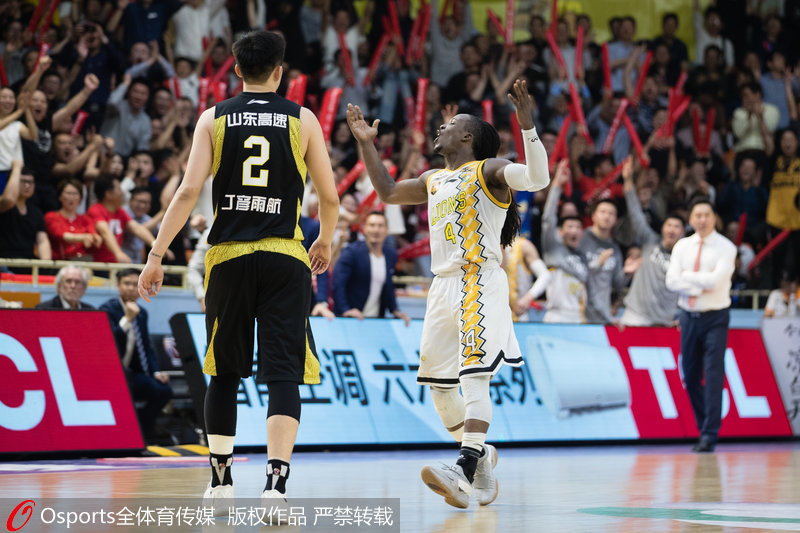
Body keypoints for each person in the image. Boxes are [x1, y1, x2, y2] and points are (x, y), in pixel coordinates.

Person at [137, 31, 339, 505]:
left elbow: (188, 192)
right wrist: (325, 239)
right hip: (285, 257)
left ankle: (221, 481)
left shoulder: (213, 117)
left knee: (224, 371)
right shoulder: (303, 119)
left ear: (235, 69)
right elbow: (329, 197)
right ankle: (276, 486)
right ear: (279, 72)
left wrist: (156, 255)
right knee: (283, 374)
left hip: (228, 257)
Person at [346, 78, 549, 508]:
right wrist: (367, 145)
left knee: (474, 379)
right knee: (440, 389)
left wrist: (527, 125)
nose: (441, 127)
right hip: (442, 287)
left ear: (468, 137)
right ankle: (481, 458)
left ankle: (463, 468)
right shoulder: (433, 179)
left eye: (452, 124)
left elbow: (537, 178)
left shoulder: (490, 170)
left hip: (479, 279)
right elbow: (387, 191)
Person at [666, 198, 737, 453]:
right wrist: (698, 283)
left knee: (714, 373)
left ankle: (709, 434)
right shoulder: (682, 246)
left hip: (715, 316)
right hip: (688, 315)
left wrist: (687, 277)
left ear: (714, 217)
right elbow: (671, 282)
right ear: (691, 218)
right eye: (698, 215)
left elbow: (715, 282)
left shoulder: (726, 247)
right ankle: (703, 423)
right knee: (690, 374)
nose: (702, 219)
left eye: (707, 214)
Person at [101, 268, 173, 440]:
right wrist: (127, 319)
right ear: (118, 286)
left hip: (134, 373)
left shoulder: (142, 313)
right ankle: (132, 431)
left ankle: (141, 430)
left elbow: (146, 347)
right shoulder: (107, 309)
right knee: (149, 386)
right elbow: (109, 342)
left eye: (136, 284)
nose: (132, 288)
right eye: (127, 283)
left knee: (164, 391)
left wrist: (156, 372)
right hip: (111, 372)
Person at [619, 158, 685, 327]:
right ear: (662, 229)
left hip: (665, 321)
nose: (672, 229)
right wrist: (628, 180)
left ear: (683, 233)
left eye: (676, 227)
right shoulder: (650, 241)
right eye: (669, 225)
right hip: (635, 316)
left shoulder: (685, 256)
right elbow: (636, 214)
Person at [332, 211, 410, 324]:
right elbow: (338, 283)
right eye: (372, 225)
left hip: (375, 320)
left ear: (387, 230)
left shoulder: (390, 254)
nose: (376, 230)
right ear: (364, 229)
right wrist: (345, 310)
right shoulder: (352, 252)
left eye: (380, 226)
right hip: (350, 319)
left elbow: (388, 285)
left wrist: (395, 310)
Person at [541, 161, 589, 324]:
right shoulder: (553, 248)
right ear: (560, 232)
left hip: (578, 319)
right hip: (556, 317)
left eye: (578, 227)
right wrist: (556, 185)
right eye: (570, 227)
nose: (574, 231)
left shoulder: (582, 257)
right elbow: (548, 219)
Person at [579, 199, 626, 324]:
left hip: (602, 316)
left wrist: (627, 273)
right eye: (603, 212)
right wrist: (597, 264)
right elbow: (573, 273)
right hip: (578, 313)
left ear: (615, 220)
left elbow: (616, 285)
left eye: (611, 213)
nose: (607, 216)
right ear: (593, 216)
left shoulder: (615, 249)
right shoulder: (580, 239)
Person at [0, 160, 52, 262]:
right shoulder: (3, 204)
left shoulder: (36, 212)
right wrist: (16, 168)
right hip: (4, 261)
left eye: (30, 182)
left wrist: (46, 264)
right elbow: (9, 200)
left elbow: (42, 241)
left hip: (28, 262)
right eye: (23, 181)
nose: (27, 185)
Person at [44, 179, 103, 260]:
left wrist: (95, 238)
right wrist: (83, 238)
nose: (72, 197)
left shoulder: (86, 219)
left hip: (83, 260)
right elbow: (61, 235)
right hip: (61, 261)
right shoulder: (51, 216)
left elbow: (92, 233)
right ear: (60, 197)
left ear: (80, 198)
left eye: (75, 194)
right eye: (68, 193)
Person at [504, 235, 551, 322]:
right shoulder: (490, 244)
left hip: (519, 316)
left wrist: (527, 299)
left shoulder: (523, 246)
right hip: (495, 315)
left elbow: (545, 275)